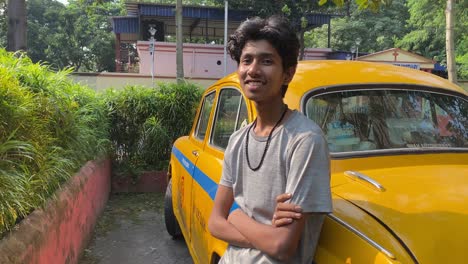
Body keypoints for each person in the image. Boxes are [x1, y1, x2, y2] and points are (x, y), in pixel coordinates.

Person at [207, 15, 332, 263]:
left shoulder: (304, 141)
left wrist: (237, 218)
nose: (253, 70)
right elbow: (214, 222)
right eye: (247, 60)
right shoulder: (237, 140)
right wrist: (258, 231)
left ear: (288, 74)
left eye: (266, 61)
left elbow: (282, 246)